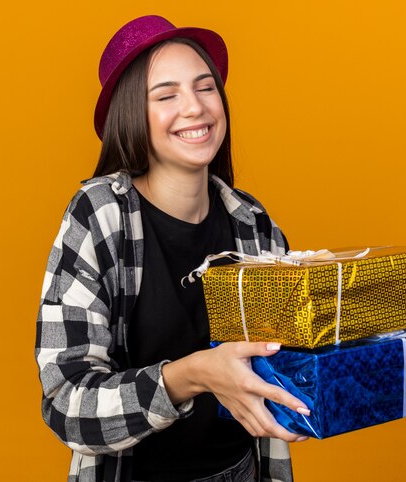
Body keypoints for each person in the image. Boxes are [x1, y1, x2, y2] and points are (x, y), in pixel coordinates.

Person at [35, 15, 310, 482]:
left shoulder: (253, 224)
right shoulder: (99, 216)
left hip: (244, 470)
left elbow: (288, 364)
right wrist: (193, 375)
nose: (195, 108)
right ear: (131, 115)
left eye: (205, 88)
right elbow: (67, 404)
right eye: (166, 96)